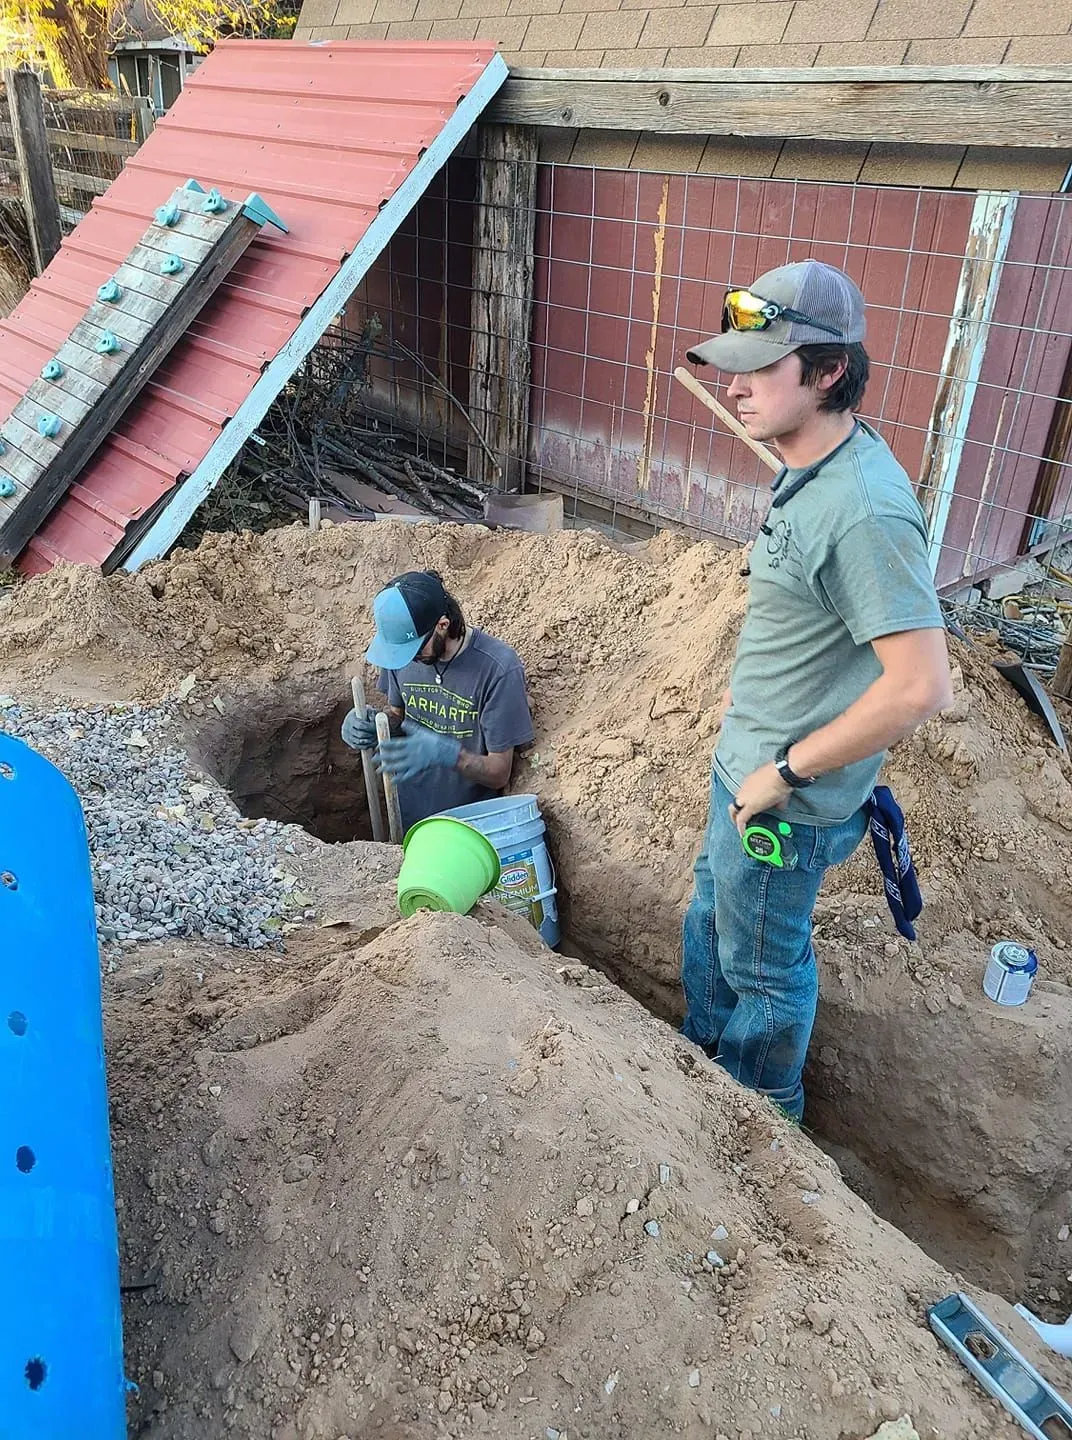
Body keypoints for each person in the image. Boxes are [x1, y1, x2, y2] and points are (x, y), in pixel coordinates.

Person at [680, 259, 953, 1123]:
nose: (735, 385)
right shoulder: (809, 466)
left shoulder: (865, 512)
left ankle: (761, 1125)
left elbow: (921, 686)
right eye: (734, 364)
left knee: (765, 971)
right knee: (710, 923)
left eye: (762, 367)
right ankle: (692, 1083)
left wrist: (787, 770)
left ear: (829, 371)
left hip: (784, 804)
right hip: (748, 772)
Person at [341, 569, 534, 829]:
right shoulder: (401, 656)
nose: (408, 659)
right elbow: (398, 716)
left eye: (414, 650)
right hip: (411, 819)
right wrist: (373, 723)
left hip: (469, 826)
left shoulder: (498, 669)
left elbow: (499, 773)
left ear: (442, 625)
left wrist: (450, 754)